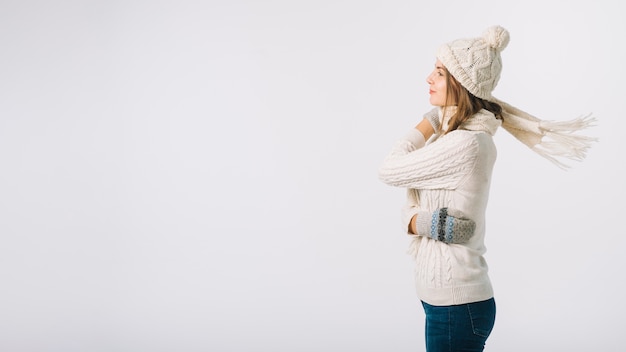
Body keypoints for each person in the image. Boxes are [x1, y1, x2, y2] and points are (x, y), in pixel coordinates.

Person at [378, 25, 595, 352]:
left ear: (461, 83)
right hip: (445, 304)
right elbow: (411, 208)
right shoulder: (453, 139)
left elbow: (389, 169)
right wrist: (423, 223)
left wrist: (430, 120)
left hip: (457, 308)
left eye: (439, 73)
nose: (428, 79)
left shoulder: (465, 144)